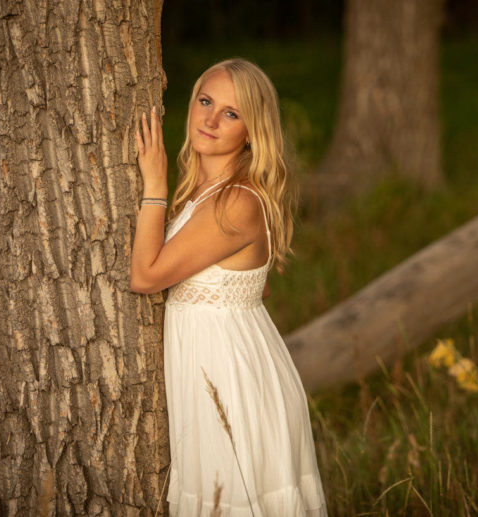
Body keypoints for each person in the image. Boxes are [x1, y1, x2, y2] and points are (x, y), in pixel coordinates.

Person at [130, 58, 328, 516]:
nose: (211, 119)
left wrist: (154, 183)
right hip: (219, 369)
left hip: (231, 384)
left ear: (252, 131)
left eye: (231, 113)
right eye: (205, 101)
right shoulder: (204, 191)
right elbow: (254, 290)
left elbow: (144, 277)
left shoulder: (236, 200)